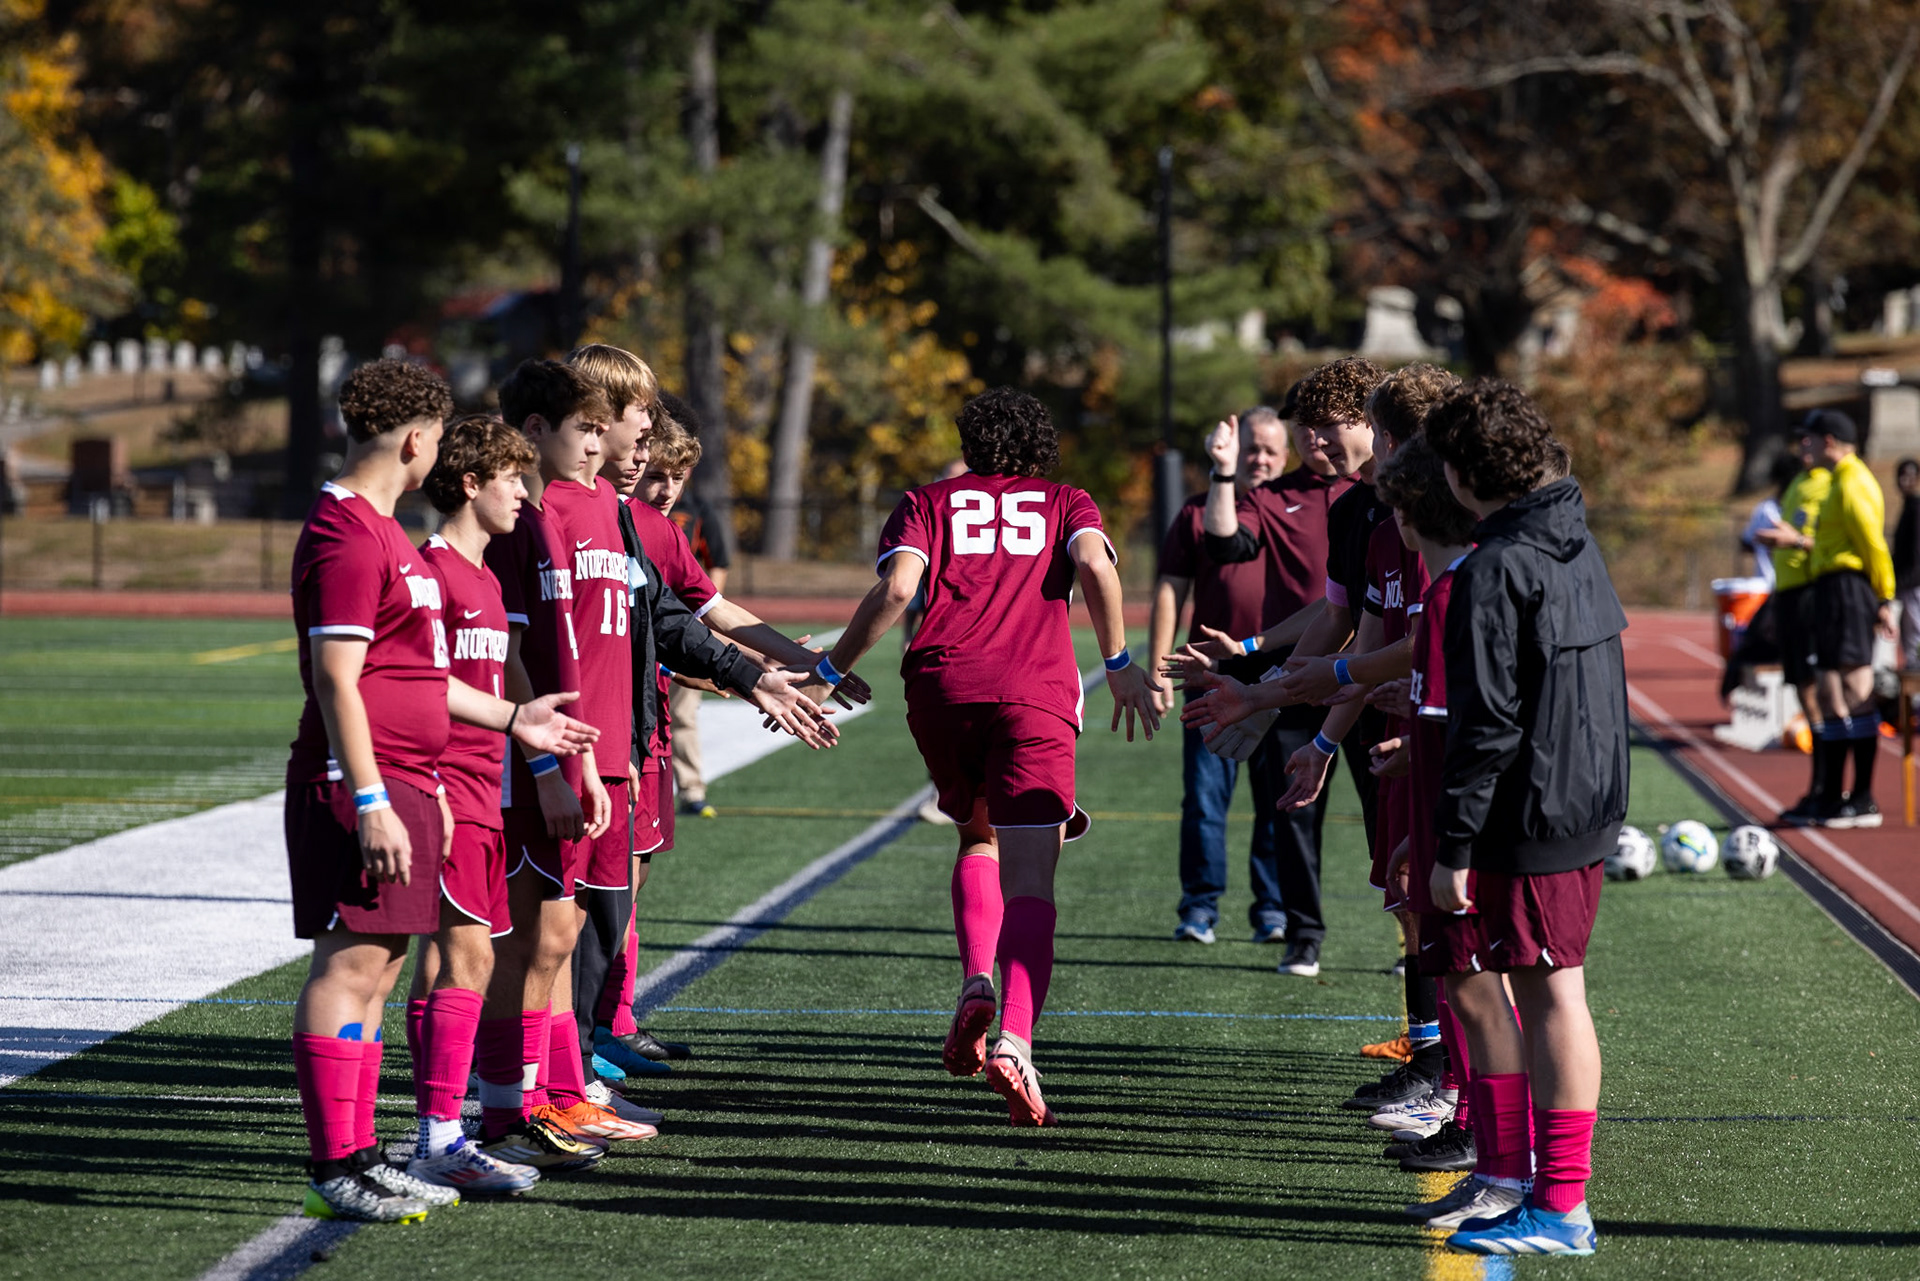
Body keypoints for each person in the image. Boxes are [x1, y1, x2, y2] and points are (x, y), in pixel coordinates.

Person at [285, 359, 600, 1222]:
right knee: (350, 967)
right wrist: (373, 796)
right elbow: (337, 679)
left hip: (414, 780)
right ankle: (337, 1163)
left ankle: (361, 1153)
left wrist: (516, 720)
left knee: (380, 973)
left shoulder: (382, 531)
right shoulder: (349, 532)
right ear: (419, 440)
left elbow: (420, 676)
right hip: (369, 785)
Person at [799, 386, 1160, 1126]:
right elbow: (1095, 566)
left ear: (969, 443)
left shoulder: (926, 500)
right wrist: (1120, 658)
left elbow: (899, 587)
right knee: (1034, 872)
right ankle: (1017, 1041)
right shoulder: (1067, 500)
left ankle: (974, 981)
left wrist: (831, 668)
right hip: (1033, 691)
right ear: (1041, 446)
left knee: (977, 833)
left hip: (942, 686)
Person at [564, 343, 856, 1081]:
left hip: (627, 735)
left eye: (669, 465)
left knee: (605, 901)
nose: (644, 457)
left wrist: (779, 668)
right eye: (637, 424)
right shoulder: (549, 511)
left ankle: (575, 1053)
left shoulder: (623, 520)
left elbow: (681, 616)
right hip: (563, 748)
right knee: (536, 927)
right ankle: (527, 1078)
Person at [1424, 379, 1627, 1257]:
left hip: (1538, 807)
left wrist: (1454, 844)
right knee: (1549, 991)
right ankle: (1536, 1189)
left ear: (1466, 473)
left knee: (1553, 995)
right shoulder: (1573, 536)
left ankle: (1564, 1207)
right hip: (1577, 795)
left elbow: (1490, 721)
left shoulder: (1498, 565)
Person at [1177, 356, 1390, 978]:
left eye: (1325, 425)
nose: (1313, 442)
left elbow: (1387, 627)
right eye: (1304, 430)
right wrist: (1260, 673)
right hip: (1327, 675)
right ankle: (1304, 934)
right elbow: (1336, 613)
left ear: (1369, 420)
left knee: (1402, 831)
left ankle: (1420, 975)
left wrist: (1263, 680)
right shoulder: (1319, 504)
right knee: (1301, 809)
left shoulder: (1416, 499)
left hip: (1396, 687)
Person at [1372, 434, 1530, 1231]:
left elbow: (1474, 728)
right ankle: (1498, 1156)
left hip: (1477, 826)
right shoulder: (1457, 586)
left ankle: (1509, 1163)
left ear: (1409, 515)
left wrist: (1446, 842)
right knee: (1479, 988)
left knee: (1488, 989)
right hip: (1462, 818)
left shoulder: (1454, 593)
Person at [404, 415, 552, 1195]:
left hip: (484, 790)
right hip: (447, 792)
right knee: (466, 959)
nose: (524, 495)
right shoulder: (432, 573)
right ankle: (438, 1135)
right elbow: (415, 689)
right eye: (511, 479)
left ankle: (436, 1130)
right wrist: (429, 788)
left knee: (449, 963)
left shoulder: (489, 577)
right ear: (470, 482)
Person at [1148, 402, 1340, 946]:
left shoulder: (1300, 505)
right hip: (1212, 671)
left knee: (1277, 802)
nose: (1259, 458)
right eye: (1250, 447)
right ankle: (1200, 907)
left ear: (1287, 455)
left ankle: (1273, 909)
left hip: (1280, 673)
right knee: (1206, 798)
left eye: (1268, 450)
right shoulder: (1204, 510)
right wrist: (1162, 665)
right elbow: (1171, 586)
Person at [1801, 410, 1897, 829]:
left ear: (1829, 441)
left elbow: (1873, 544)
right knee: (1828, 692)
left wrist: (1884, 596)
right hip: (1829, 590)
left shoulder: (1854, 481)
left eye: (1809, 439)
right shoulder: (1837, 481)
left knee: (1858, 687)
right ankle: (1835, 794)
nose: (1804, 447)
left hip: (1848, 590)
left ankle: (1863, 797)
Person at [651, 389, 731, 819]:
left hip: (682, 626)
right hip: (650, 634)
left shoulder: (695, 513)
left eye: (677, 477)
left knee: (681, 714)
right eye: (657, 475)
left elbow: (716, 569)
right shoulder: (627, 516)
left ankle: (691, 788)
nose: (667, 490)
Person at [1756, 432, 1832, 819]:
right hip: (1788, 596)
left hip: (1811, 596)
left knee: (1825, 692)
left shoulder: (1831, 484)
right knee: (1803, 691)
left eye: (1810, 440)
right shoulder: (1800, 483)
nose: (1803, 446)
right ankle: (1819, 785)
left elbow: (1832, 543)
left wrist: (1798, 541)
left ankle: (1829, 786)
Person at [1892, 457, 1919, 672]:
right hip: (1906, 584)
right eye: (1902, 476)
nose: (1905, 481)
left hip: (1914, 585)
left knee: (1915, 638)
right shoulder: (1907, 507)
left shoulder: (1916, 508)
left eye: (1910, 476)